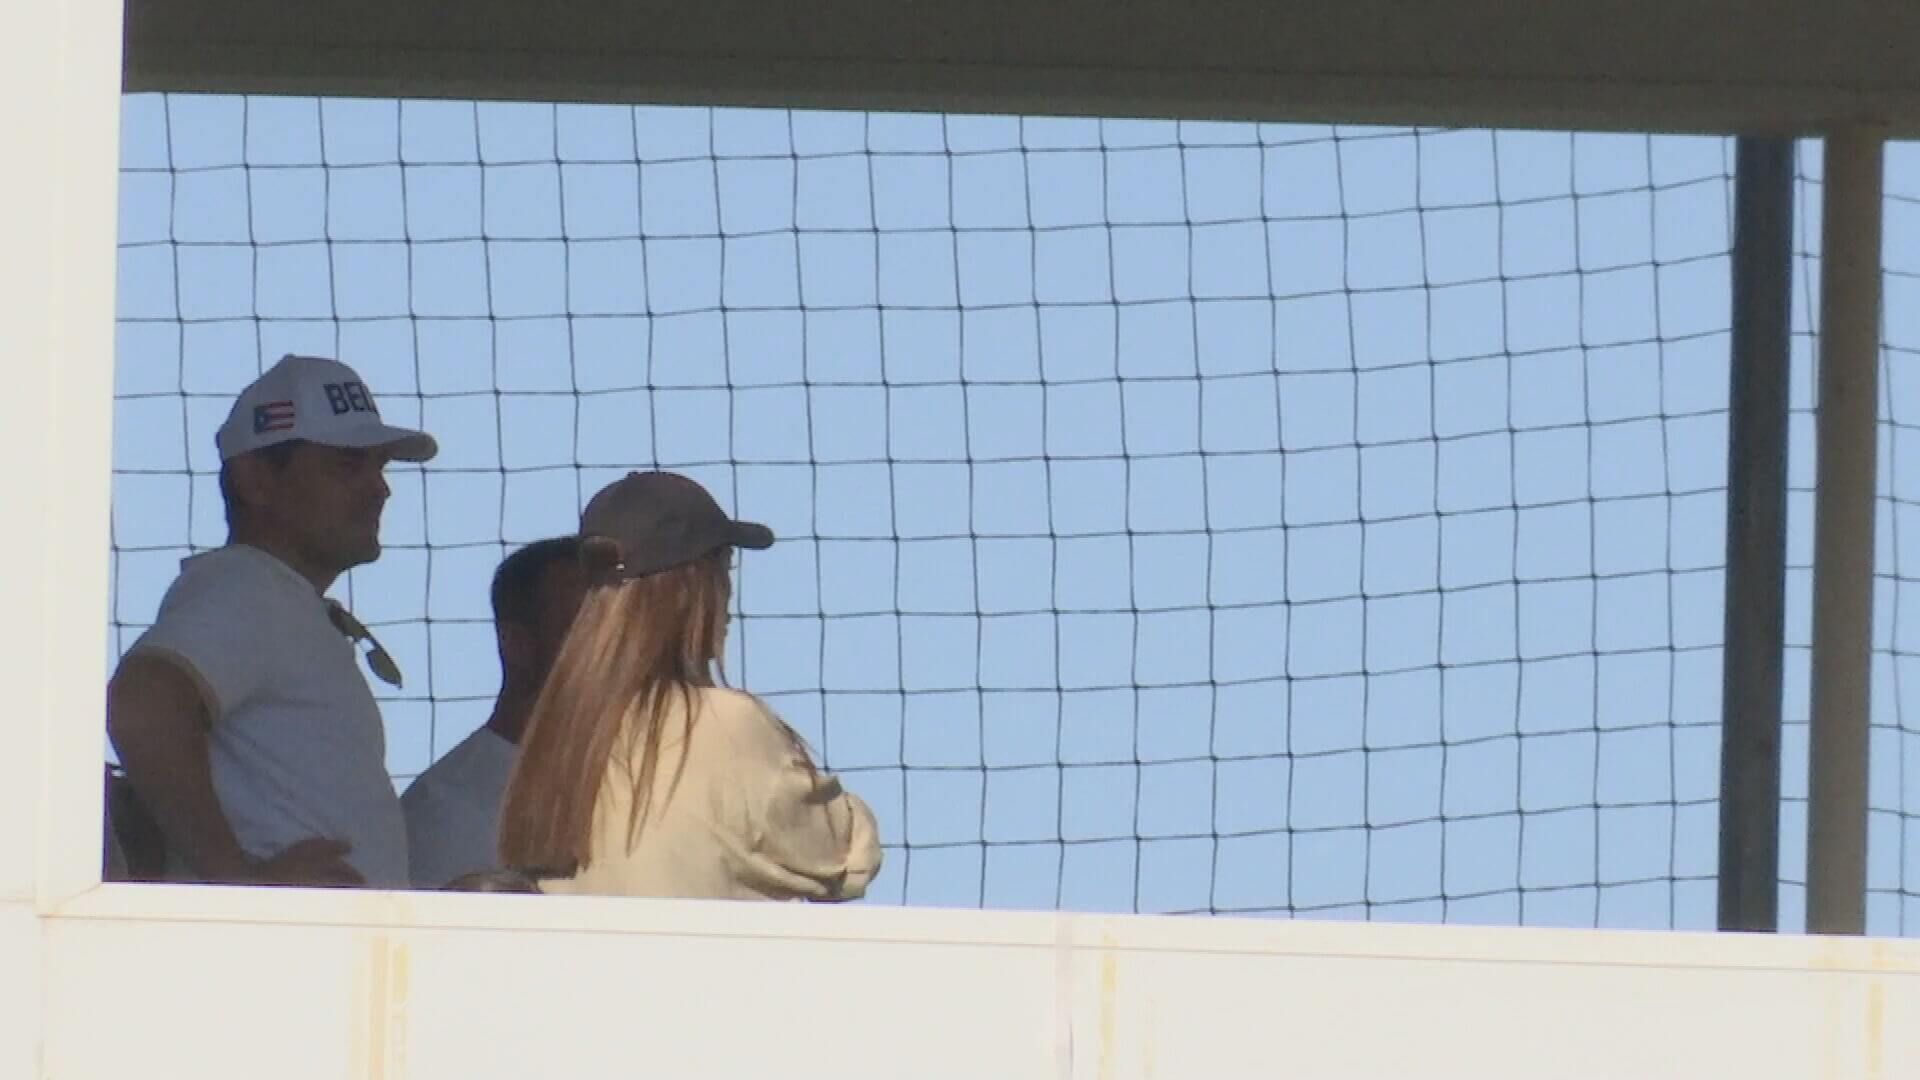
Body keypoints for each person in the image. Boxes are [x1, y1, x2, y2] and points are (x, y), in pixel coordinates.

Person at [105, 354, 437, 888]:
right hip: (274, 961)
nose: (380, 488)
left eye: (380, 465)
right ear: (255, 480)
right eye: (347, 465)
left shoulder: (275, 598)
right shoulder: (250, 589)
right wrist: (237, 883)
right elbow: (142, 703)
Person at [496, 470, 883, 902]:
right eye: (725, 566)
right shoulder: (728, 724)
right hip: (702, 969)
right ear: (695, 586)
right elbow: (847, 859)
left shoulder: (554, 741)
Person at [402, 536, 585, 888]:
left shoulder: (646, 782)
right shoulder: (445, 809)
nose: (610, 653)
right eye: (582, 633)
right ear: (517, 644)